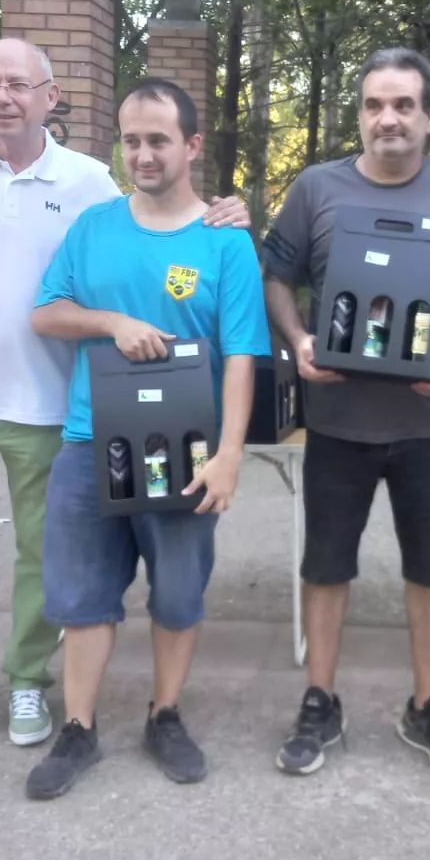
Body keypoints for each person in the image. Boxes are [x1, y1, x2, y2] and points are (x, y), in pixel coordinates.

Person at [0, 39, 246, 760]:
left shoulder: (87, 184)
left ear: (51, 97)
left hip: (53, 409)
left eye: (19, 83)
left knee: (41, 562)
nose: (3, 96)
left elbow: (156, 228)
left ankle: (29, 681)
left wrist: (223, 213)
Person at [261, 47, 430, 780]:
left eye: (403, 105)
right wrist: (301, 339)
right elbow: (276, 278)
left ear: (429, 117)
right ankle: (319, 700)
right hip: (337, 421)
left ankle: (426, 704)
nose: (387, 119)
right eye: (374, 105)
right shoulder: (316, 189)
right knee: (326, 566)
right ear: (361, 114)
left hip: (427, 427)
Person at [22, 78, 270, 799]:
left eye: (159, 139)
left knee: (178, 594)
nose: (143, 153)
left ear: (192, 145)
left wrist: (229, 456)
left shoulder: (225, 244)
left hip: (186, 451)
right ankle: (78, 729)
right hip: (90, 441)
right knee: (83, 596)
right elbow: (46, 312)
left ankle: (165, 716)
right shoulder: (94, 228)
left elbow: (243, 355)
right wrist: (111, 323)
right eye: (131, 139)